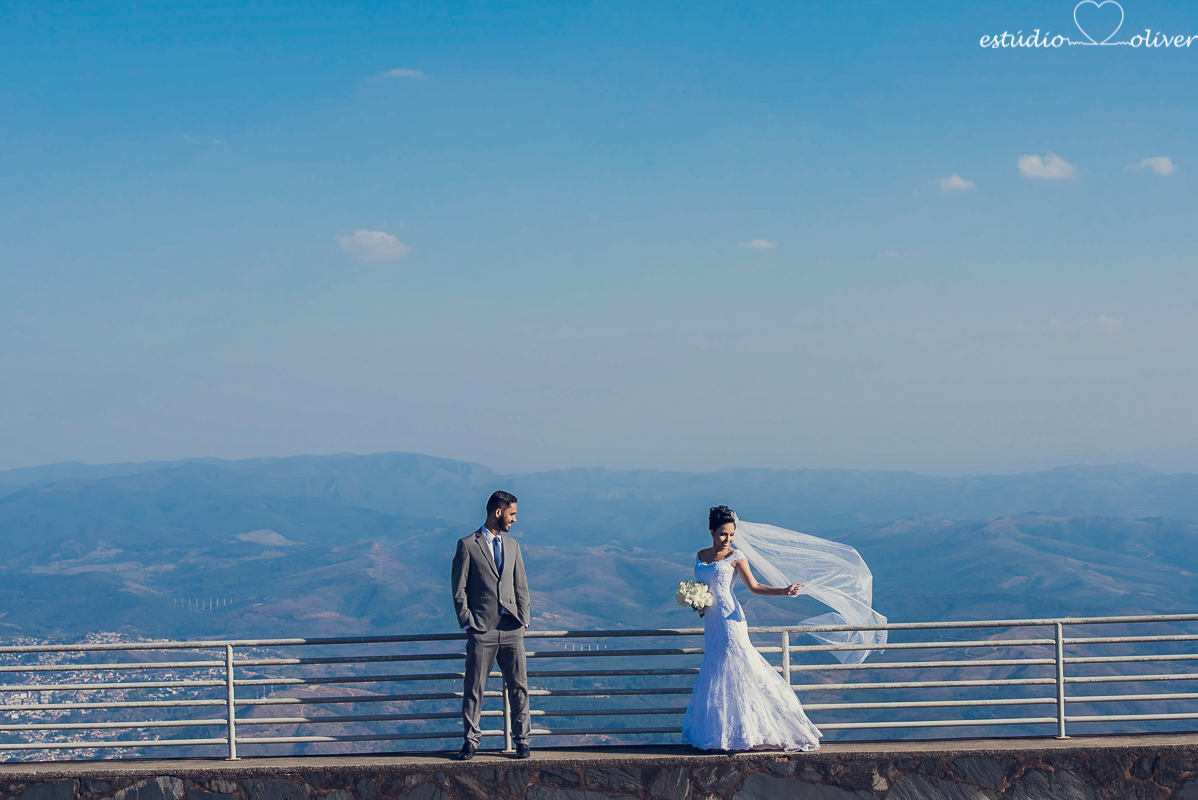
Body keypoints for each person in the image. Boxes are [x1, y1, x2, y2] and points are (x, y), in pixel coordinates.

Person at [681, 505, 823, 752]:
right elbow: (704, 584)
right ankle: (723, 733)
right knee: (716, 669)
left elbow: (754, 587)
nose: (727, 539)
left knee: (738, 665)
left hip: (730, 619)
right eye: (723, 534)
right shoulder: (701, 555)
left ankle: (760, 729)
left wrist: (784, 591)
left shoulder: (736, 557)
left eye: (731, 534)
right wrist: (697, 600)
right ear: (712, 531)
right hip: (711, 620)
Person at [450, 490, 532, 760]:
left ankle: (522, 741)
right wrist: (468, 624)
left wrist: (524, 620)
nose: (515, 520)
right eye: (512, 514)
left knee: (519, 687)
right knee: (474, 689)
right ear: (498, 512)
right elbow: (458, 589)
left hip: (512, 629)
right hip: (481, 630)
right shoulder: (467, 545)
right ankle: (471, 741)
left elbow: (521, 586)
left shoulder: (513, 546)